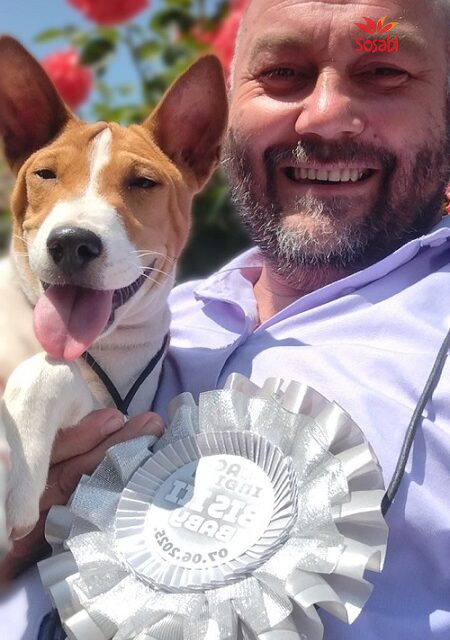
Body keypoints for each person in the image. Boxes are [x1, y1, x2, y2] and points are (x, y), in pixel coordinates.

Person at [1, 0, 449, 638]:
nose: (323, 114)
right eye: (283, 73)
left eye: (384, 72)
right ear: (231, 110)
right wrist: (15, 541)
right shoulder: (152, 315)